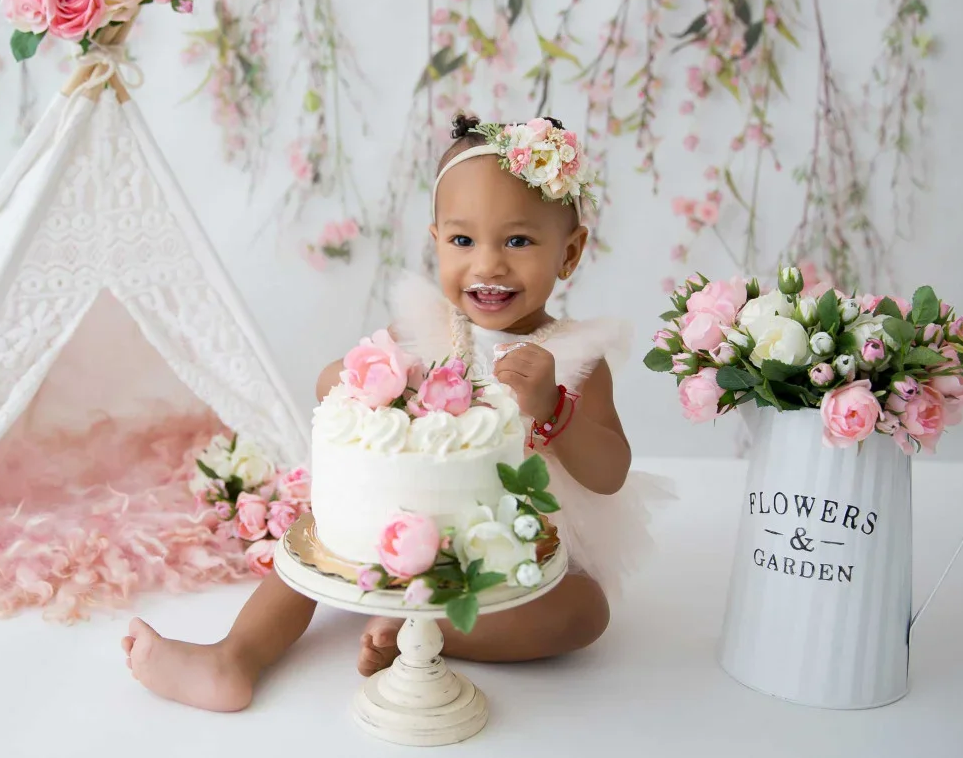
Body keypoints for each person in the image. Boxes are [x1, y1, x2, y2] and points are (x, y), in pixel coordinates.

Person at [121, 113, 666, 711]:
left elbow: (610, 472)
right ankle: (234, 658)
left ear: (570, 252)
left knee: (585, 613)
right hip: (405, 522)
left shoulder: (575, 357)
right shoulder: (427, 329)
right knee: (318, 539)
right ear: (436, 241)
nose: (488, 264)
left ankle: (434, 631)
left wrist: (554, 407)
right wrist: (362, 379)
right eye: (463, 241)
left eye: (517, 240)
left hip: (514, 543)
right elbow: (337, 378)